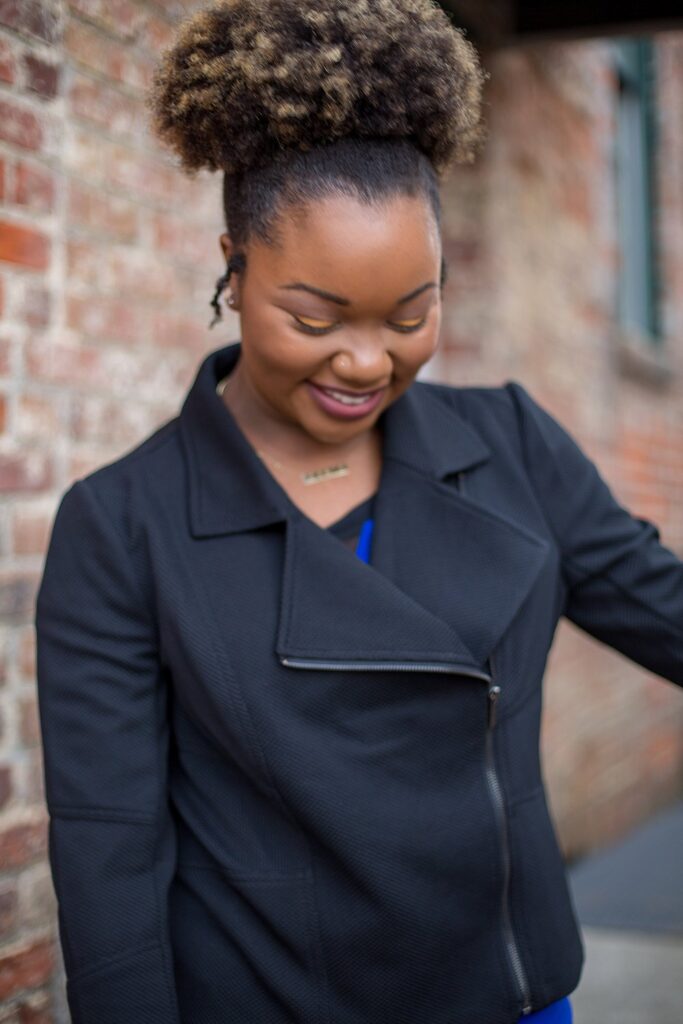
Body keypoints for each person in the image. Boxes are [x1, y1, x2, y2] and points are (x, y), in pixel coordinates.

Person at [33, 1, 682, 1022]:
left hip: (512, 999)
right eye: (314, 317)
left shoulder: (509, 444)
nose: (368, 361)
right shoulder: (121, 526)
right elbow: (110, 854)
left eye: (411, 313)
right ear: (233, 270)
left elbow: (662, 605)